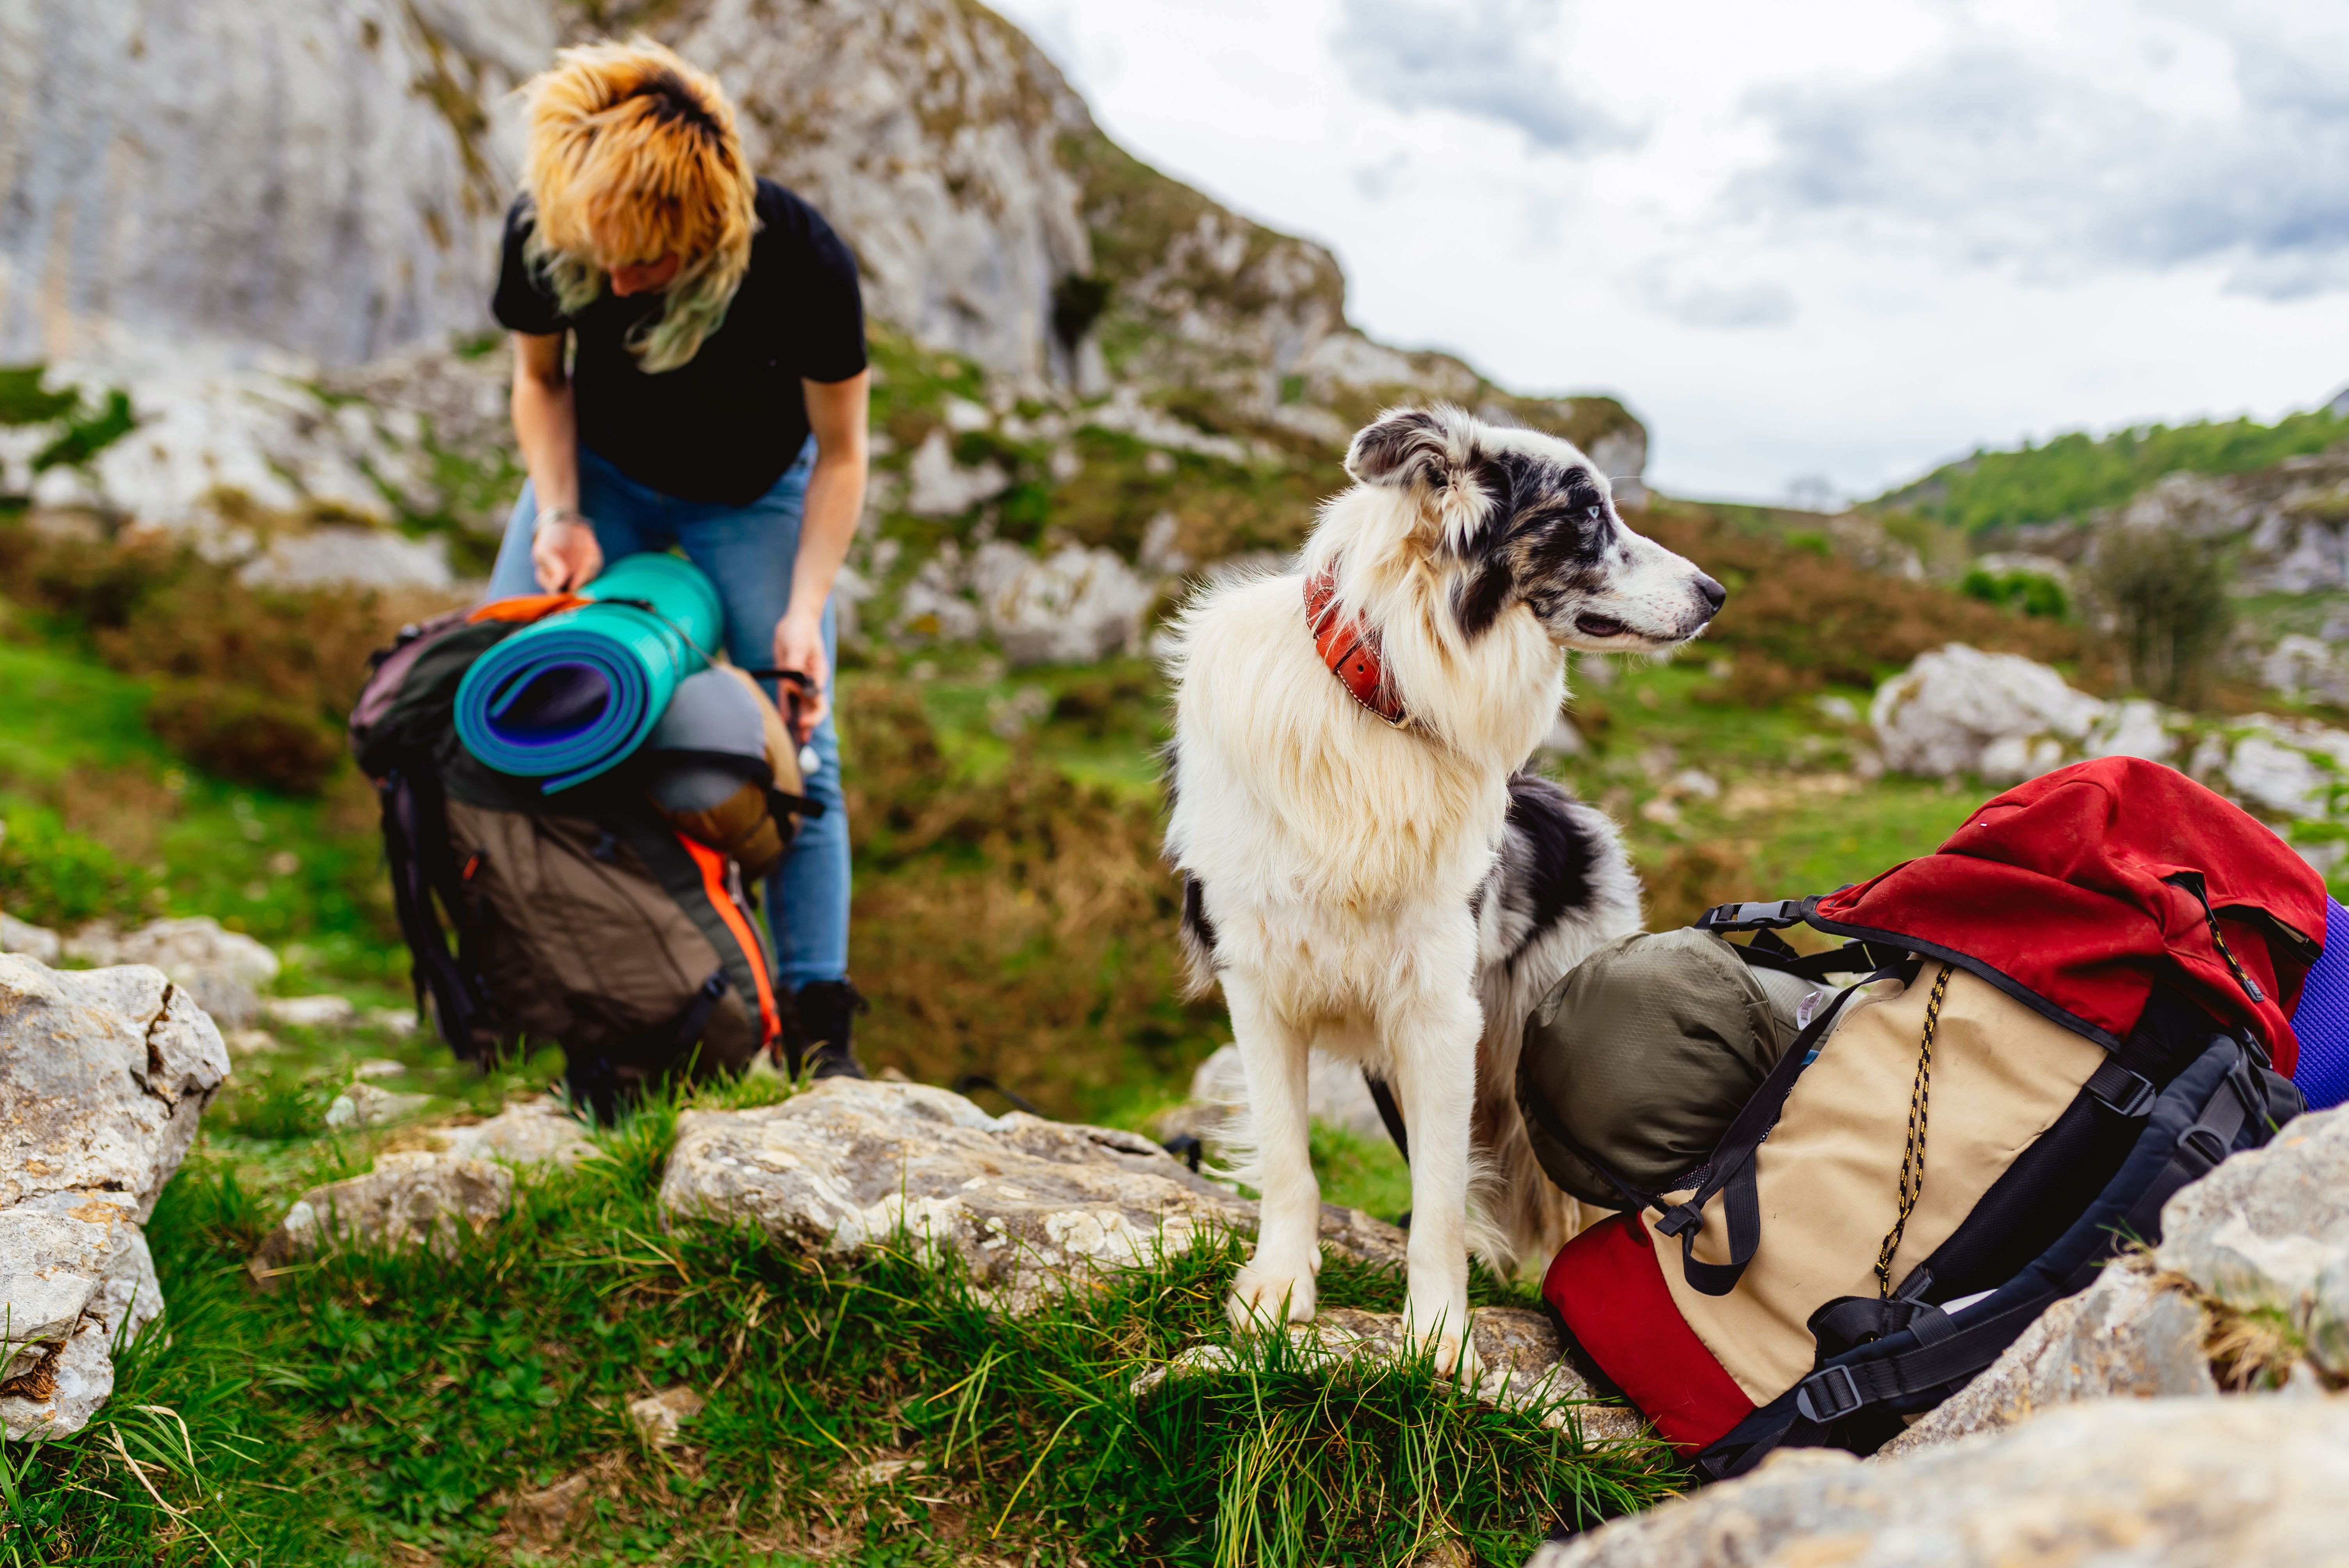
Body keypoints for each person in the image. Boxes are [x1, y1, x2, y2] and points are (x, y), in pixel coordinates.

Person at [484, 38, 869, 1079]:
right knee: (505, 712)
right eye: (596, 252)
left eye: (644, 262)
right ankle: (566, 1007)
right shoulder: (550, 227)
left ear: (705, 229)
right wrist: (560, 513)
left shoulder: (797, 256)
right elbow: (540, 381)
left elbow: (842, 454)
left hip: (755, 498)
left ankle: (818, 1030)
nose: (615, 278)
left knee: (803, 745)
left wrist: (804, 608)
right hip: (600, 476)